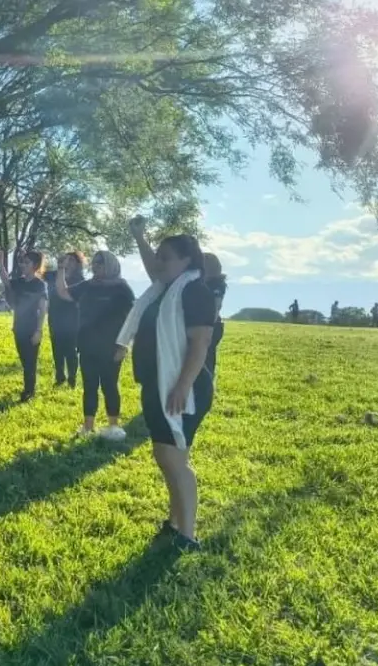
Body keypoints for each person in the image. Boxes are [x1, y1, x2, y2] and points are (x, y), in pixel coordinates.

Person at [119, 216, 215, 551]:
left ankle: (186, 535)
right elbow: (152, 266)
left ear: (187, 261)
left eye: (166, 257)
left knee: (174, 459)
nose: (158, 263)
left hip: (183, 388)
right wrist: (139, 237)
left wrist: (182, 386)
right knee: (165, 455)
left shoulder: (194, 291)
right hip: (156, 385)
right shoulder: (163, 290)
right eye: (158, 257)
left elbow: (200, 342)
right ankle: (175, 522)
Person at [55, 250, 134, 440]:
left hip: (112, 347)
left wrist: (123, 346)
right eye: (95, 263)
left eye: (101, 262)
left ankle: (113, 426)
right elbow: (63, 293)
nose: (96, 265)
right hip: (87, 344)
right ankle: (88, 426)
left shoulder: (122, 289)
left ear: (111, 265)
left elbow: (132, 320)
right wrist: (60, 269)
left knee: (109, 385)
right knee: (90, 386)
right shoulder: (88, 286)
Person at [0, 248, 48, 402]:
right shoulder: (18, 282)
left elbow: (43, 309)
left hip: (32, 329)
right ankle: (28, 389)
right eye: (22, 262)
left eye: (26, 262)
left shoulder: (39, 285)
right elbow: (5, 280)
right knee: (24, 360)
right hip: (18, 327)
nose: (22, 265)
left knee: (30, 361)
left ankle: (29, 391)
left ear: (35, 266)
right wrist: (0, 263)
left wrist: (39, 330)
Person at [46, 252, 85, 388]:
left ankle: (72, 378)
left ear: (78, 264)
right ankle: (60, 376)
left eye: (72, 260)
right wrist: (60, 266)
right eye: (67, 260)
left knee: (70, 350)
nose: (69, 263)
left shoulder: (79, 279)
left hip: (72, 318)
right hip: (55, 316)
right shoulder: (53, 275)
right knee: (56, 349)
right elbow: (41, 274)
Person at [202, 253, 227, 376]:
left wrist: (208, 325)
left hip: (212, 326)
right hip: (208, 325)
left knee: (206, 359)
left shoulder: (217, 285)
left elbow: (216, 306)